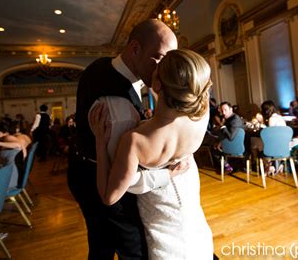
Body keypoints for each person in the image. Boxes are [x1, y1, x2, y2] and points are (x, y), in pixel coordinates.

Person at [68, 19, 182, 259]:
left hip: (80, 169)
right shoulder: (118, 107)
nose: (163, 68)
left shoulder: (101, 65)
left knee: (100, 245)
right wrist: (167, 173)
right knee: (134, 250)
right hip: (101, 180)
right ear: (135, 49)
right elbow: (122, 179)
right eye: (160, 58)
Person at [90, 49, 213, 259]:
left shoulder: (135, 140)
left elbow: (109, 197)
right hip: (194, 224)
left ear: (156, 85)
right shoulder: (201, 117)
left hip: (165, 233)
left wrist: (100, 142)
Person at [250, 100, 287, 175]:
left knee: (253, 142)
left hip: (274, 146)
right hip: (284, 147)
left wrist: (261, 125)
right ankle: (273, 164)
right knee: (256, 142)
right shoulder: (279, 117)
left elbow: (270, 136)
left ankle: (266, 164)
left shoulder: (272, 119)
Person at [0, 122, 32, 189]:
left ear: (6, 133)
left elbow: (19, 145)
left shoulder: (7, 138)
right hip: (20, 174)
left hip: (13, 179)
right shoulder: (15, 137)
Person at [211, 101, 244, 173]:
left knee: (214, 148)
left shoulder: (235, 120)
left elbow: (230, 137)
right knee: (214, 145)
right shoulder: (229, 119)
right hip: (232, 144)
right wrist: (220, 142)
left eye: (225, 110)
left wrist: (223, 127)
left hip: (237, 147)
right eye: (222, 110)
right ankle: (227, 166)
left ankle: (227, 166)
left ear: (231, 109)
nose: (223, 113)